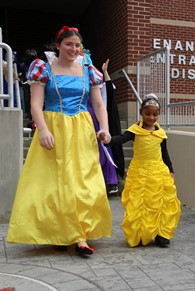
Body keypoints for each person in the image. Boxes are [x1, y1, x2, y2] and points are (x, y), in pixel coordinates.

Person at [6, 25, 112, 256]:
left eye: (77, 45)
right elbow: (35, 104)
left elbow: (99, 104)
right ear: (58, 45)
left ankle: (80, 235)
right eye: (68, 44)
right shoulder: (43, 69)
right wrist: (42, 130)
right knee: (54, 184)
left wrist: (104, 128)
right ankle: (63, 232)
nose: (73, 49)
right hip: (54, 128)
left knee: (83, 183)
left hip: (82, 130)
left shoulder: (88, 71)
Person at [101, 93, 181, 248]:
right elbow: (121, 139)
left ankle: (161, 234)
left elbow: (165, 153)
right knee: (140, 204)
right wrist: (108, 140)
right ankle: (138, 233)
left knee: (160, 204)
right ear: (141, 113)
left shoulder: (161, 134)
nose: (151, 117)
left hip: (159, 172)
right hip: (140, 172)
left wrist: (171, 170)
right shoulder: (134, 131)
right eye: (148, 114)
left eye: (155, 114)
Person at [87, 58, 124, 194]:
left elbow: (108, 93)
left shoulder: (95, 82)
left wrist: (105, 72)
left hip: (96, 120)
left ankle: (107, 181)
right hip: (79, 119)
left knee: (103, 150)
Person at [21, 49, 38, 119]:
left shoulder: (38, 64)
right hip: (27, 83)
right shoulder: (24, 65)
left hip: (36, 83)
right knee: (27, 99)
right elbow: (22, 73)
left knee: (35, 100)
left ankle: (34, 114)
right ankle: (29, 113)